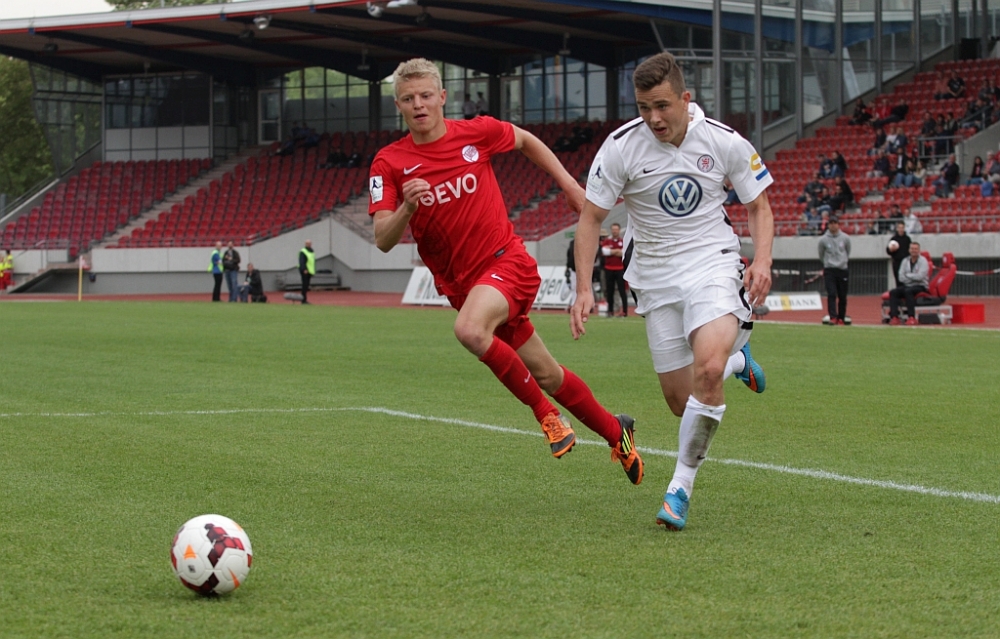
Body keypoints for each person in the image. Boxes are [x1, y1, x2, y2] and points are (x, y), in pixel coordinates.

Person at [368, 58, 644, 485]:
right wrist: (406, 207)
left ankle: (548, 417)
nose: (418, 104)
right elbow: (383, 238)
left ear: (442, 97)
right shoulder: (389, 163)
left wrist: (569, 184)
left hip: (506, 263)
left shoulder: (475, 132)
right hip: (465, 287)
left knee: (469, 330)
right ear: (398, 105)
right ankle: (617, 432)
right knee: (548, 373)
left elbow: (525, 140)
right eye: (408, 99)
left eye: (426, 96)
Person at [570, 52, 772, 531]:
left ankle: (679, 488)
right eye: (644, 108)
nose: (654, 118)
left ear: (685, 98)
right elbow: (591, 218)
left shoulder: (723, 141)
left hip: (712, 263)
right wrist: (583, 287)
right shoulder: (621, 147)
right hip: (655, 276)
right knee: (684, 402)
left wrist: (762, 260)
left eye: (662, 106)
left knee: (707, 371)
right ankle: (738, 362)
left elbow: (759, 206)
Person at [887, 242, 930, 325]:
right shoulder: (905, 261)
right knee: (893, 292)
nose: (914, 250)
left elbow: (920, 277)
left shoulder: (923, 261)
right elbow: (900, 277)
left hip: (920, 286)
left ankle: (911, 317)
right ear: (909, 250)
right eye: (912, 249)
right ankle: (894, 317)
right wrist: (912, 277)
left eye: (916, 249)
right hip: (907, 285)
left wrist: (907, 276)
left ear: (919, 250)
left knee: (908, 291)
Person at [818, 216, 850, 325]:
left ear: (838, 224)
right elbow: (821, 254)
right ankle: (833, 317)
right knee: (831, 293)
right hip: (830, 269)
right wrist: (827, 263)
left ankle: (841, 317)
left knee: (842, 295)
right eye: (831, 223)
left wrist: (843, 262)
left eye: (835, 223)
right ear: (828, 225)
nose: (833, 225)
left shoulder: (845, 238)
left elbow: (848, 251)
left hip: (842, 269)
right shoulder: (823, 240)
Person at [601, 223, 627, 317]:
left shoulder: (623, 241)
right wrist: (617, 251)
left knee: (622, 291)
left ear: (619, 230)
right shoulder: (607, 241)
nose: (614, 231)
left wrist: (612, 251)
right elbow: (604, 252)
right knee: (609, 291)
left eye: (616, 229)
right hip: (609, 269)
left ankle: (624, 311)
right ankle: (610, 311)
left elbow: (624, 253)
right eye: (613, 229)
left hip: (620, 269)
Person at [885, 221, 911, 287]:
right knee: (898, 280)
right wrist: (891, 250)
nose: (901, 229)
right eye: (899, 227)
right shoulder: (893, 239)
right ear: (897, 228)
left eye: (902, 228)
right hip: (897, 263)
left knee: (906, 281)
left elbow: (910, 250)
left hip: (906, 263)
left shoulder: (907, 239)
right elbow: (888, 251)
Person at [298, 239, 315, 304]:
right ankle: (303, 300)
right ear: (305, 244)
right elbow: (302, 261)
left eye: (310, 243)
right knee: (305, 285)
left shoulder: (311, 251)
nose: (309, 244)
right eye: (307, 243)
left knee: (306, 285)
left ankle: (303, 299)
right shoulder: (303, 251)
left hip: (309, 271)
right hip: (305, 271)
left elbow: (311, 262)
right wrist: (304, 269)